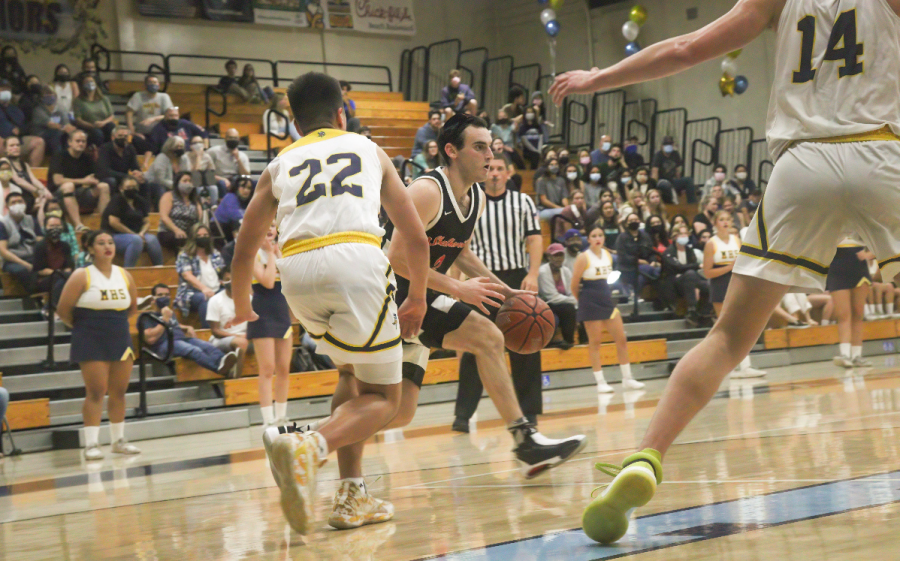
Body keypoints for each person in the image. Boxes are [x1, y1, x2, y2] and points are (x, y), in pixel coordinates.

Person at [233, 72, 430, 534]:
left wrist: (243, 306)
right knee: (387, 398)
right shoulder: (368, 149)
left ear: (295, 123)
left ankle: (351, 496)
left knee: (350, 373)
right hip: (355, 259)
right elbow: (415, 237)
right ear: (342, 113)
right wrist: (417, 296)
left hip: (295, 271)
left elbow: (244, 248)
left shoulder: (279, 163)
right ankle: (309, 446)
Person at [383, 111, 586, 476]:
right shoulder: (427, 191)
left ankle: (309, 440)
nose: (490, 155)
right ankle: (525, 441)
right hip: (385, 295)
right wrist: (459, 287)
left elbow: (458, 249)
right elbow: (396, 258)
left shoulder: (473, 196)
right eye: (479, 147)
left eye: (491, 147)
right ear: (452, 150)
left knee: (398, 412)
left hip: (418, 296)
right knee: (489, 337)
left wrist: (502, 287)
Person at [454, 150, 544, 431]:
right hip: (482, 281)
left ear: (509, 173)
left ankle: (529, 413)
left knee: (526, 344)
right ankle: (463, 416)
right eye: (490, 167)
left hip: (516, 277)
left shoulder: (523, 201)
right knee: (475, 345)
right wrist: (458, 283)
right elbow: (461, 248)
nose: (494, 173)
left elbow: (535, 239)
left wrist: (532, 273)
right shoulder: (471, 201)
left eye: (499, 168)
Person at [55, 230, 140, 461]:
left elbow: (132, 307)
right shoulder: (82, 275)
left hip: (119, 335)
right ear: (91, 249)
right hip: (90, 336)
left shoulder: (124, 275)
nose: (107, 246)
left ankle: (118, 441)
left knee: (119, 391)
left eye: (110, 242)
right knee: (96, 391)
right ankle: (91, 444)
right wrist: (84, 328)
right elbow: (63, 310)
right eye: (101, 243)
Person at [573, 225, 644, 393]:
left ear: (604, 238)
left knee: (621, 339)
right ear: (588, 239)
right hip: (590, 299)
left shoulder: (609, 256)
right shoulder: (583, 257)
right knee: (595, 343)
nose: (598, 238)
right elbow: (574, 284)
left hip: (606, 298)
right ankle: (600, 382)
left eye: (600, 235)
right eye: (594, 235)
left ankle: (627, 378)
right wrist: (582, 301)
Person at [244, 222, 294, 427]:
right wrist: (270, 254)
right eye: (266, 224)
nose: (269, 228)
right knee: (267, 368)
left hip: (281, 311)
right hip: (262, 313)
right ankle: (267, 419)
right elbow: (267, 282)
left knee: (284, 368)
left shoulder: (282, 250)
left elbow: (290, 278)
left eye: (273, 225)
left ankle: (282, 415)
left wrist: (277, 253)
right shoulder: (253, 253)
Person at [140, 283, 238, 377]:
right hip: (164, 345)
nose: (164, 297)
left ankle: (228, 366)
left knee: (209, 347)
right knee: (195, 350)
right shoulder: (147, 317)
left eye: (167, 295)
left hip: (181, 340)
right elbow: (150, 339)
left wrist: (186, 327)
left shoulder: (170, 313)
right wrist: (165, 319)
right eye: (160, 295)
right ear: (153, 299)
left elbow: (174, 325)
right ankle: (219, 369)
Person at [48, 129, 111, 230]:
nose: (81, 144)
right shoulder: (59, 156)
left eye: (83, 141)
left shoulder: (86, 158)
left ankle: (104, 225)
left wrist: (94, 180)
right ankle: (78, 225)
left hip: (79, 193)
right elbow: (58, 181)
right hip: (58, 196)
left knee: (104, 186)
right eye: (78, 141)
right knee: (69, 186)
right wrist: (84, 181)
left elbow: (95, 177)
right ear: (69, 142)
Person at [827, 238, 874, 368]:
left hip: (859, 265)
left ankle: (857, 356)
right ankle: (845, 355)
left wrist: (869, 255)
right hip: (836, 264)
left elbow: (883, 240)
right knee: (843, 313)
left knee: (858, 313)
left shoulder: (861, 219)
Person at [101, 176, 163, 267]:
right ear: (121, 189)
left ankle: (160, 268)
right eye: (128, 187)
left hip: (137, 234)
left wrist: (142, 233)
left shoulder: (140, 201)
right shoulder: (117, 200)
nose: (131, 190)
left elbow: (146, 222)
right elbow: (113, 222)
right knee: (136, 240)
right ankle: (129, 270)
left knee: (152, 239)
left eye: (134, 187)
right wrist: (133, 234)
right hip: (114, 235)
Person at [660, 224, 711, 326]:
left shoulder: (689, 251)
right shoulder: (668, 252)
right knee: (690, 273)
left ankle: (705, 312)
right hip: (674, 282)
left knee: (709, 285)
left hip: (690, 280)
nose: (684, 236)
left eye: (685, 234)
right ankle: (691, 309)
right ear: (675, 236)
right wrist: (697, 265)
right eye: (681, 234)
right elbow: (678, 267)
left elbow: (691, 267)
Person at [174, 223, 223, 327]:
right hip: (192, 293)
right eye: (199, 236)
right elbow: (187, 275)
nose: (202, 238)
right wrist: (204, 289)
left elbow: (222, 272)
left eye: (205, 235)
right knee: (204, 298)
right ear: (192, 238)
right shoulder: (185, 255)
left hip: (216, 290)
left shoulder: (215, 253)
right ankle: (209, 332)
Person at [206, 269, 249, 375]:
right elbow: (215, 331)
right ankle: (236, 377)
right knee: (242, 342)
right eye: (227, 279)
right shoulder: (215, 301)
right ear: (221, 282)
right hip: (221, 340)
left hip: (246, 337)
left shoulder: (249, 299)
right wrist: (236, 336)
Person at [615, 212, 658, 318]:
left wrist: (653, 261)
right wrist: (638, 261)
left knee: (649, 271)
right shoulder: (622, 237)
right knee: (647, 270)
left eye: (636, 220)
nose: (634, 222)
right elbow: (622, 256)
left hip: (645, 268)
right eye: (631, 221)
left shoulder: (645, 236)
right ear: (626, 223)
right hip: (627, 268)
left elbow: (651, 252)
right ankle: (636, 295)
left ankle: (635, 294)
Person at [538, 243, 578, 349]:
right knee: (568, 308)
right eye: (555, 255)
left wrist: (575, 301)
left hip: (562, 303)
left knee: (578, 310)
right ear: (549, 257)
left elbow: (572, 292)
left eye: (561, 255)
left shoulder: (566, 271)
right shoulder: (543, 272)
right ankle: (567, 341)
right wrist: (573, 301)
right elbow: (552, 296)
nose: (559, 258)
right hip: (545, 304)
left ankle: (579, 342)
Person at [32, 213, 74, 312]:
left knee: (65, 278)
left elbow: (69, 265)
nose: (55, 228)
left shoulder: (65, 246)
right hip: (45, 280)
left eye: (58, 226)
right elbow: (40, 270)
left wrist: (63, 274)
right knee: (62, 279)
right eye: (51, 226)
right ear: (45, 228)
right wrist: (59, 273)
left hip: (62, 276)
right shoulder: (40, 246)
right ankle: (52, 308)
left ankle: (49, 307)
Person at [0, 191, 40, 291]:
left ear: (25, 204)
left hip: (32, 256)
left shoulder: (31, 219)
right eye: (13, 202)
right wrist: (24, 263)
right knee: (23, 270)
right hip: (12, 261)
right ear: (7, 206)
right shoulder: (3, 224)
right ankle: (35, 297)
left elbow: (41, 241)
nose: (17, 204)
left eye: (20, 201)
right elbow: (3, 251)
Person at [0, 79, 45, 167]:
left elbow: (26, 126)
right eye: (3, 89)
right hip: (2, 140)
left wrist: (20, 130)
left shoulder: (16, 110)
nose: (6, 92)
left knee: (39, 142)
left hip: (17, 140)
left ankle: (31, 173)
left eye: (8, 90)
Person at [126, 74, 173, 156]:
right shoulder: (138, 96)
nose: (153, 84)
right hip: (142, 133)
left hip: (159, 133)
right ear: (145, 85)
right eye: (150, 82)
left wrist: (153, 119)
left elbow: (170, 114)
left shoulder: (164, 97)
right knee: (135, 141)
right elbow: (129, 112)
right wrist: (132, 131)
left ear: (158, 84)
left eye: (155, 82)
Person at [157, 171, 203, 252]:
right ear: (177, 183)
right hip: (169, 231)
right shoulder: (169, 196)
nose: (188, 183)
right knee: (181, 239)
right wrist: (176, 230)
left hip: (189, 233)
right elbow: (164, 217)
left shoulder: (195, 200)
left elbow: (199, 219)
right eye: (185, 181)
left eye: (190, 181)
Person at [27, 85, 75, 156]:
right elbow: (51, 124)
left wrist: (72, 130)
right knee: (56, 133)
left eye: (51, 94)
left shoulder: (59, 108)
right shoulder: (38, 110)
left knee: (69, 135)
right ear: (41, 98)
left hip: (58, 133)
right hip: (41, 135)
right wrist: (64, 128)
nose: (49, 96)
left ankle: (69, 158)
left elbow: (66, 122)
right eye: (46, 95)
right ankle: (58, 159)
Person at [4, 137, 50, 210]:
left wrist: (45, 191)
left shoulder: (25, 165)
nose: (15, 147)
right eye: (11, 145)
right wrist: (37, 191)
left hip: (28, 198)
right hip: (15, 198)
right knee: (42, 204)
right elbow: (18, 181)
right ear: (5, 149)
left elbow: (34, 180)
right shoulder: (4, 162)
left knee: (47, 201)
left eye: (17, 145)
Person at [98, 125, 146, 192]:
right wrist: (128, 176)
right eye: (120, 136)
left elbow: (135, 166)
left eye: (126, 136)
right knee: (112, 181)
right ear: (113, 137)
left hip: (124, 178)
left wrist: (138, 173)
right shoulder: (105, 148)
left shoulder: (130, 148)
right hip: (108, 179)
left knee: (143, 181)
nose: (123, 138)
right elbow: (105, 171)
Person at [146, 136, 191, 206]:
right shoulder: (162, 157)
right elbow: (160, 179)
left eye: (181, 147)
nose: (179, 149)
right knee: (161, 189)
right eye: (177, 147)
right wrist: (177, 185)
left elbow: (188, 174)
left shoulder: (184, 158)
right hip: (156, 184)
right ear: (170, 147)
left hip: (177, 185)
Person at [73, 74, 115, 146]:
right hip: (88, 127)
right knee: (97, 133)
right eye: (86, 82)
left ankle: (109, 150)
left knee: (111, 127)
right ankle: (98, 153)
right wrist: (93, 126)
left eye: (91, 81)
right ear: (83, 86)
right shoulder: (78, 101)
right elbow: (78, 120)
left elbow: (111, 116)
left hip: (103, 124)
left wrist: (103, 123)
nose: (89, 83)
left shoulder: (104, 99)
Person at [214, 176, 252, 241]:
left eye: (249, 188)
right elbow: (234, 216)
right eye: (243, 186)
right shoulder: (230, 197)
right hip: (218, 229)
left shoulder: (249, 200)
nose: (246, 190)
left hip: (231, 228)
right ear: (236, 187)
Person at [187, 135, 220, 204]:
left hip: (205, 180)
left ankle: (214, 207)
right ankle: (200, 207)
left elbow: (212, 172)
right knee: (199, 188)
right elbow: (192, 173)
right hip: (192, 180)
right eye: (195, 143)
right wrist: (198, 156)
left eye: (200, 142)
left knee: (213, 188)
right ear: (190, 146)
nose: (198, 145)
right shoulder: (186, 156)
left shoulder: (207, 156)